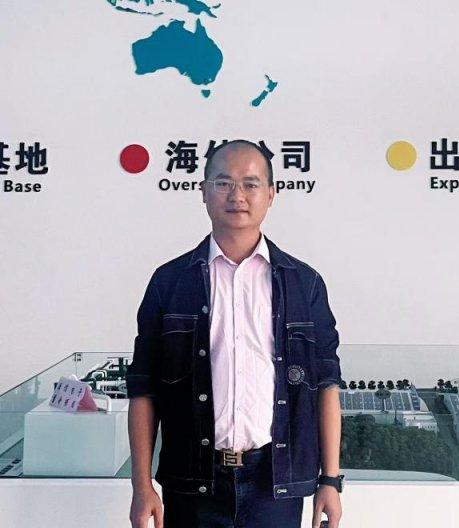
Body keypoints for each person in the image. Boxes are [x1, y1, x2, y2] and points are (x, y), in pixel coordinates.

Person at [126, 139, 344, 528]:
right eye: (224, 182)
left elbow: (325, 383)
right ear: (203, 192)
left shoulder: (304, 284)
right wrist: (141, 485)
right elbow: (144, 389)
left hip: (273, 484)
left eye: (250, 184)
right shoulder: (169, 282)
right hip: (192, 483)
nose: (237, 195)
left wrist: (330, 480)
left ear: (271, 194)